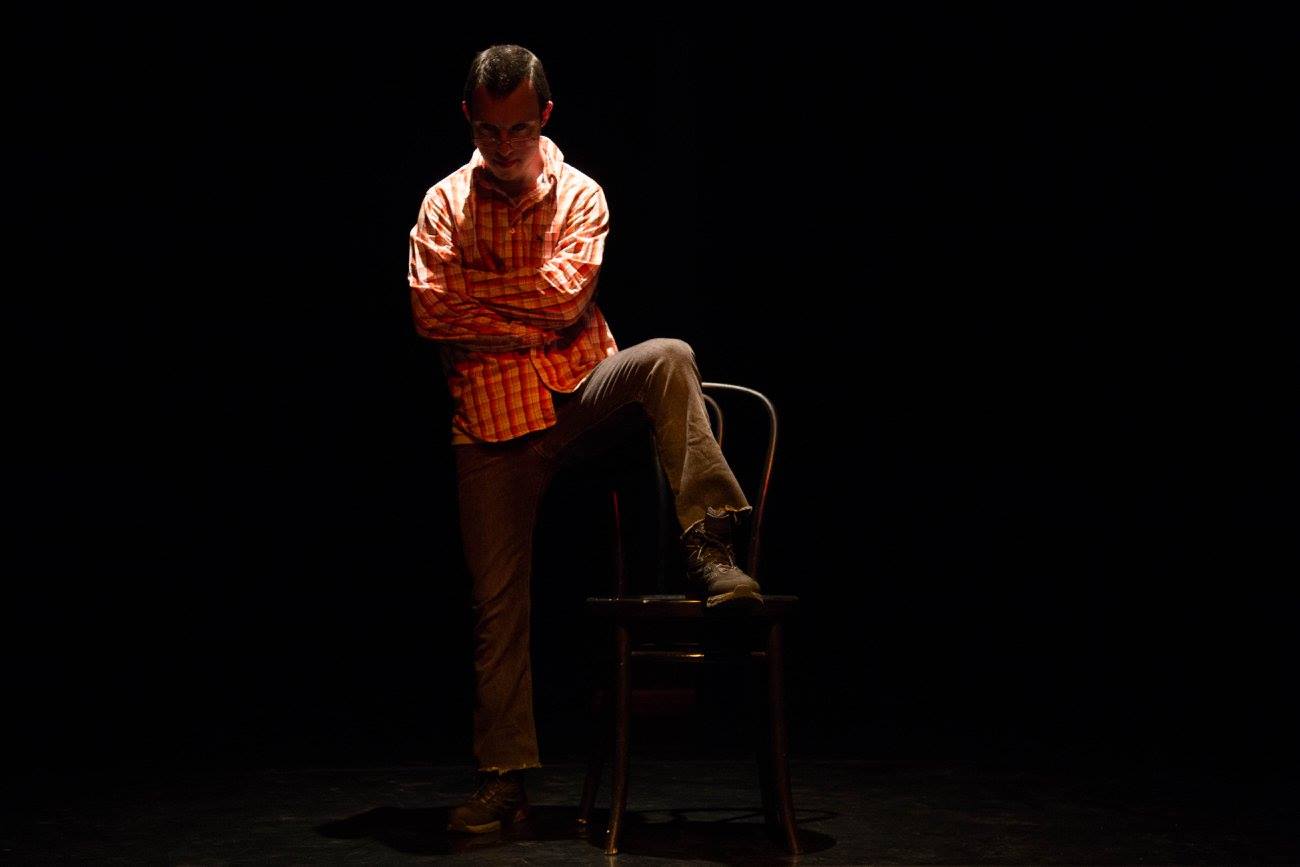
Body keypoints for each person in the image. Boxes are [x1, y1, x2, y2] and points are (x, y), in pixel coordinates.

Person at [407, 43, 763, 834]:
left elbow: (568, 302)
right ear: (468, 118)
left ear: (545, 116)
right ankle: (505, 781)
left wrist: (482, 301)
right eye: (489, 130)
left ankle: (709, 543)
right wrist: (519, 313)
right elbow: (431, 311)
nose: (505, 146)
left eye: (520, 129)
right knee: (496, 606)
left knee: (668, 356)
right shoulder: (443, 205)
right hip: (489, 421)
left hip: (577, 394)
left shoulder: (581, 195)